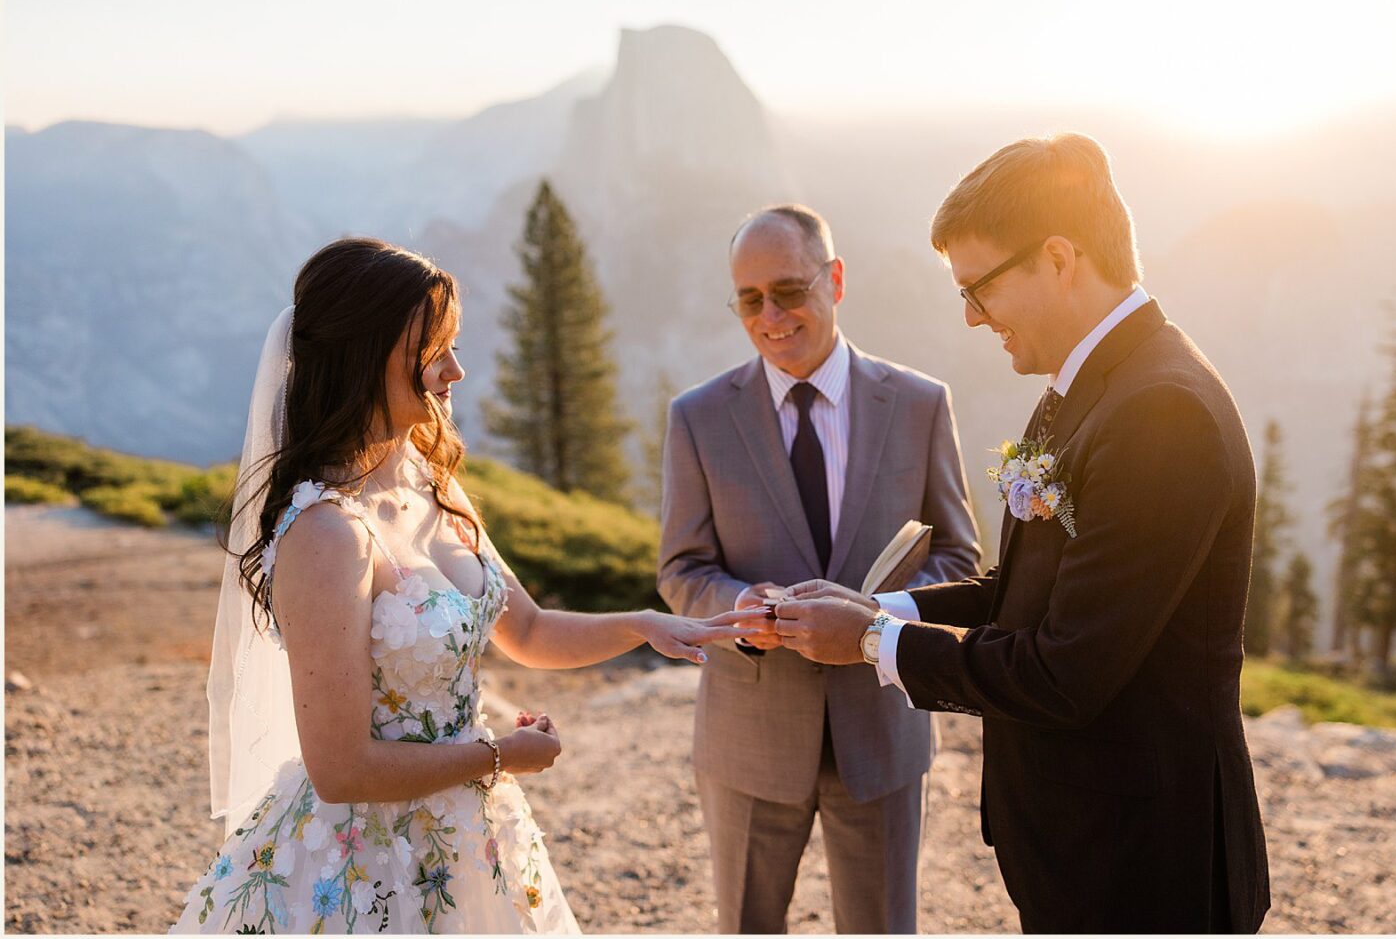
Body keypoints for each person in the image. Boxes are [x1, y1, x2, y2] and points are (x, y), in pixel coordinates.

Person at [174, 237, 763, 934]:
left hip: (468, 837)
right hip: (365, 867)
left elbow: (531, 630)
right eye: (433, 351)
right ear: (366, 357)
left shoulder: (432, 479)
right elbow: (339, 767)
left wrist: (645, 624)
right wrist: (499, 756)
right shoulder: (327, 534)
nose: (456, 369)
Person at [772, 136, 1272, 933]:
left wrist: (871, 642)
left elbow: (1065, 669)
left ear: (1059, 258)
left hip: (1147, 865)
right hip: (1083, 846)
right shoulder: (1083, 386)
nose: (971, 317)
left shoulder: (1161, 412)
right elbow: (1026, 590)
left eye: (979, 288)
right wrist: (881, 605)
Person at [657, 205, 981, 933]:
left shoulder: (920, 404)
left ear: (834, 279)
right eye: (749, 299)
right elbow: (681, 567)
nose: (770, 315)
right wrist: (744, 608)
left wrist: (874, 624)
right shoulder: (697, 417)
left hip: (882, 729)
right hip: (749, 739)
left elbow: (961, 559)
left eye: (789, 290)